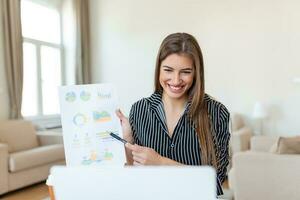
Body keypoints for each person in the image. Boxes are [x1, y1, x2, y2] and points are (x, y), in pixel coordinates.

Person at [116, 32, 230, 195]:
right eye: (168, 70)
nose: (176, 80)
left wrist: (161, 162)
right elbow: (135, 173)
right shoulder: (139, 109)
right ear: (159, 69)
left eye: (185, 72)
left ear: (196, 73)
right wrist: (128, 139)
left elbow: (215, 183)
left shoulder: (217, 113)